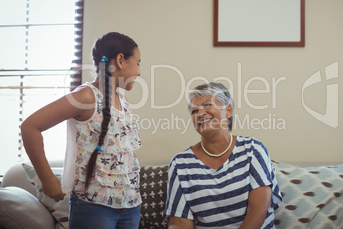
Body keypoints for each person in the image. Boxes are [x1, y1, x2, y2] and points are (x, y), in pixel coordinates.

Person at [21, 32, 143, 229]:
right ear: (121, 60)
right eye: (138, 63)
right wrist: (47, 177)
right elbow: (30, 127)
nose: (139, 71)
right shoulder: (85, 96)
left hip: (130, 206)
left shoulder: (122, 99)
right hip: (94, 207)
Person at [163, 82, 282, 229]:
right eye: (194, 111)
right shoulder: (180, 164)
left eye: (207, 105)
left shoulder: (253, 149)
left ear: (228, 110)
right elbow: (179, 223)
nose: (200, 113)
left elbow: (257, 210)